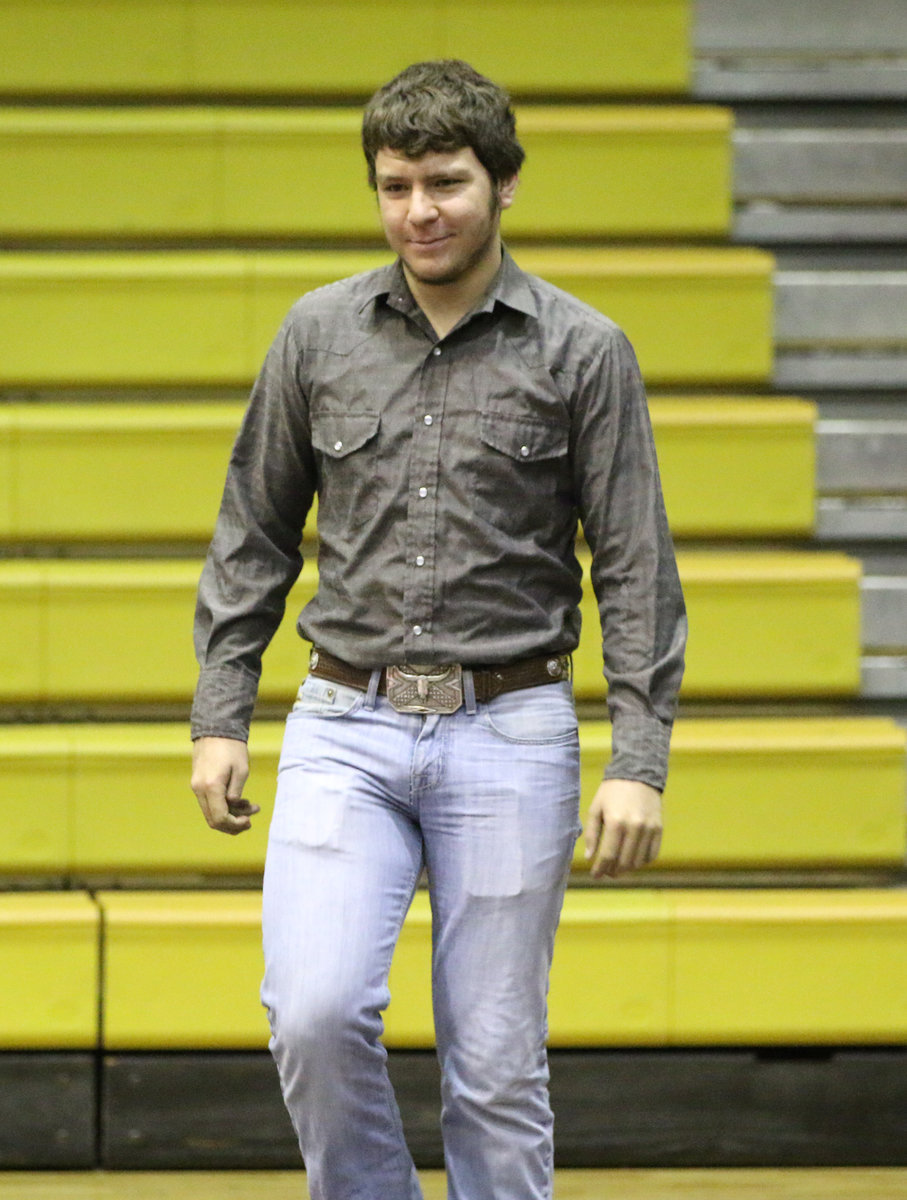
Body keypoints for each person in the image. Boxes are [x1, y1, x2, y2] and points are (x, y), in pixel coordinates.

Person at [190, 58, 686, 1200]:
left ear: (504, 185)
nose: (419, 210)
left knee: (495, 1067)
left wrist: (639, 761)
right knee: (311, 1014)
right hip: (342, 724)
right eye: (396, 184)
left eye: (447, 183)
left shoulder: (584, 351)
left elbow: (634, 568)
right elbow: (252, 535)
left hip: (511, 730)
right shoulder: (317, 334)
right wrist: (221, 715)